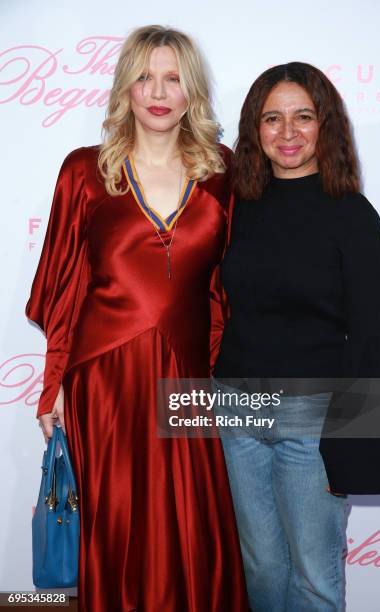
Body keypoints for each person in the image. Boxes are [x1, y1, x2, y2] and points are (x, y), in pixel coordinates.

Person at [25, 25, 249, 612]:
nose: (157, 90)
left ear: (191, 91)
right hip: (105, 383)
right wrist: (53, 387)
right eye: (144, 76)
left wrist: (216, 376)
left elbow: (229, 290)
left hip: (188, 384)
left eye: (172, 77)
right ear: (125, 87)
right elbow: (65, 289)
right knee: (118, 525)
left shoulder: (222, 172)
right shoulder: (85, 172)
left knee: (195, 530)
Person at [213, 62, 380, 611]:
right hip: (237, 410)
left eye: (304, 116)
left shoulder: (353, 215)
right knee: (261, 569)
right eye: (272, 118)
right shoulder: (237, 207)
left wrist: (361, 450)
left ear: (327, 125)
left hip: (314, 419)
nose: (288, 132)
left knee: (314, 580)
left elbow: (368, 335)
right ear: (255, 128)